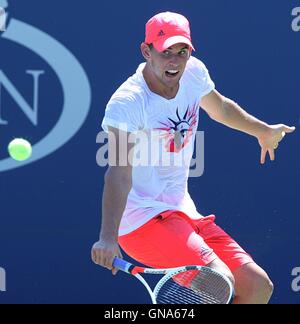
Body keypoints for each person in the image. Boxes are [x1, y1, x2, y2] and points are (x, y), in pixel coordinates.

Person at [92, 11, 295, 304]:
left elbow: (221, 108)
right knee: (219, 283)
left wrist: (262, 132)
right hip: (140, 222)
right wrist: (108, 237)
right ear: (146, 51)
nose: (175, 61)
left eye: (182, 51)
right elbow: (118, 173)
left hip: (183, 212)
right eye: (166, 53)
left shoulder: (194, 73)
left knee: (257, 286)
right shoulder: (127, 103)